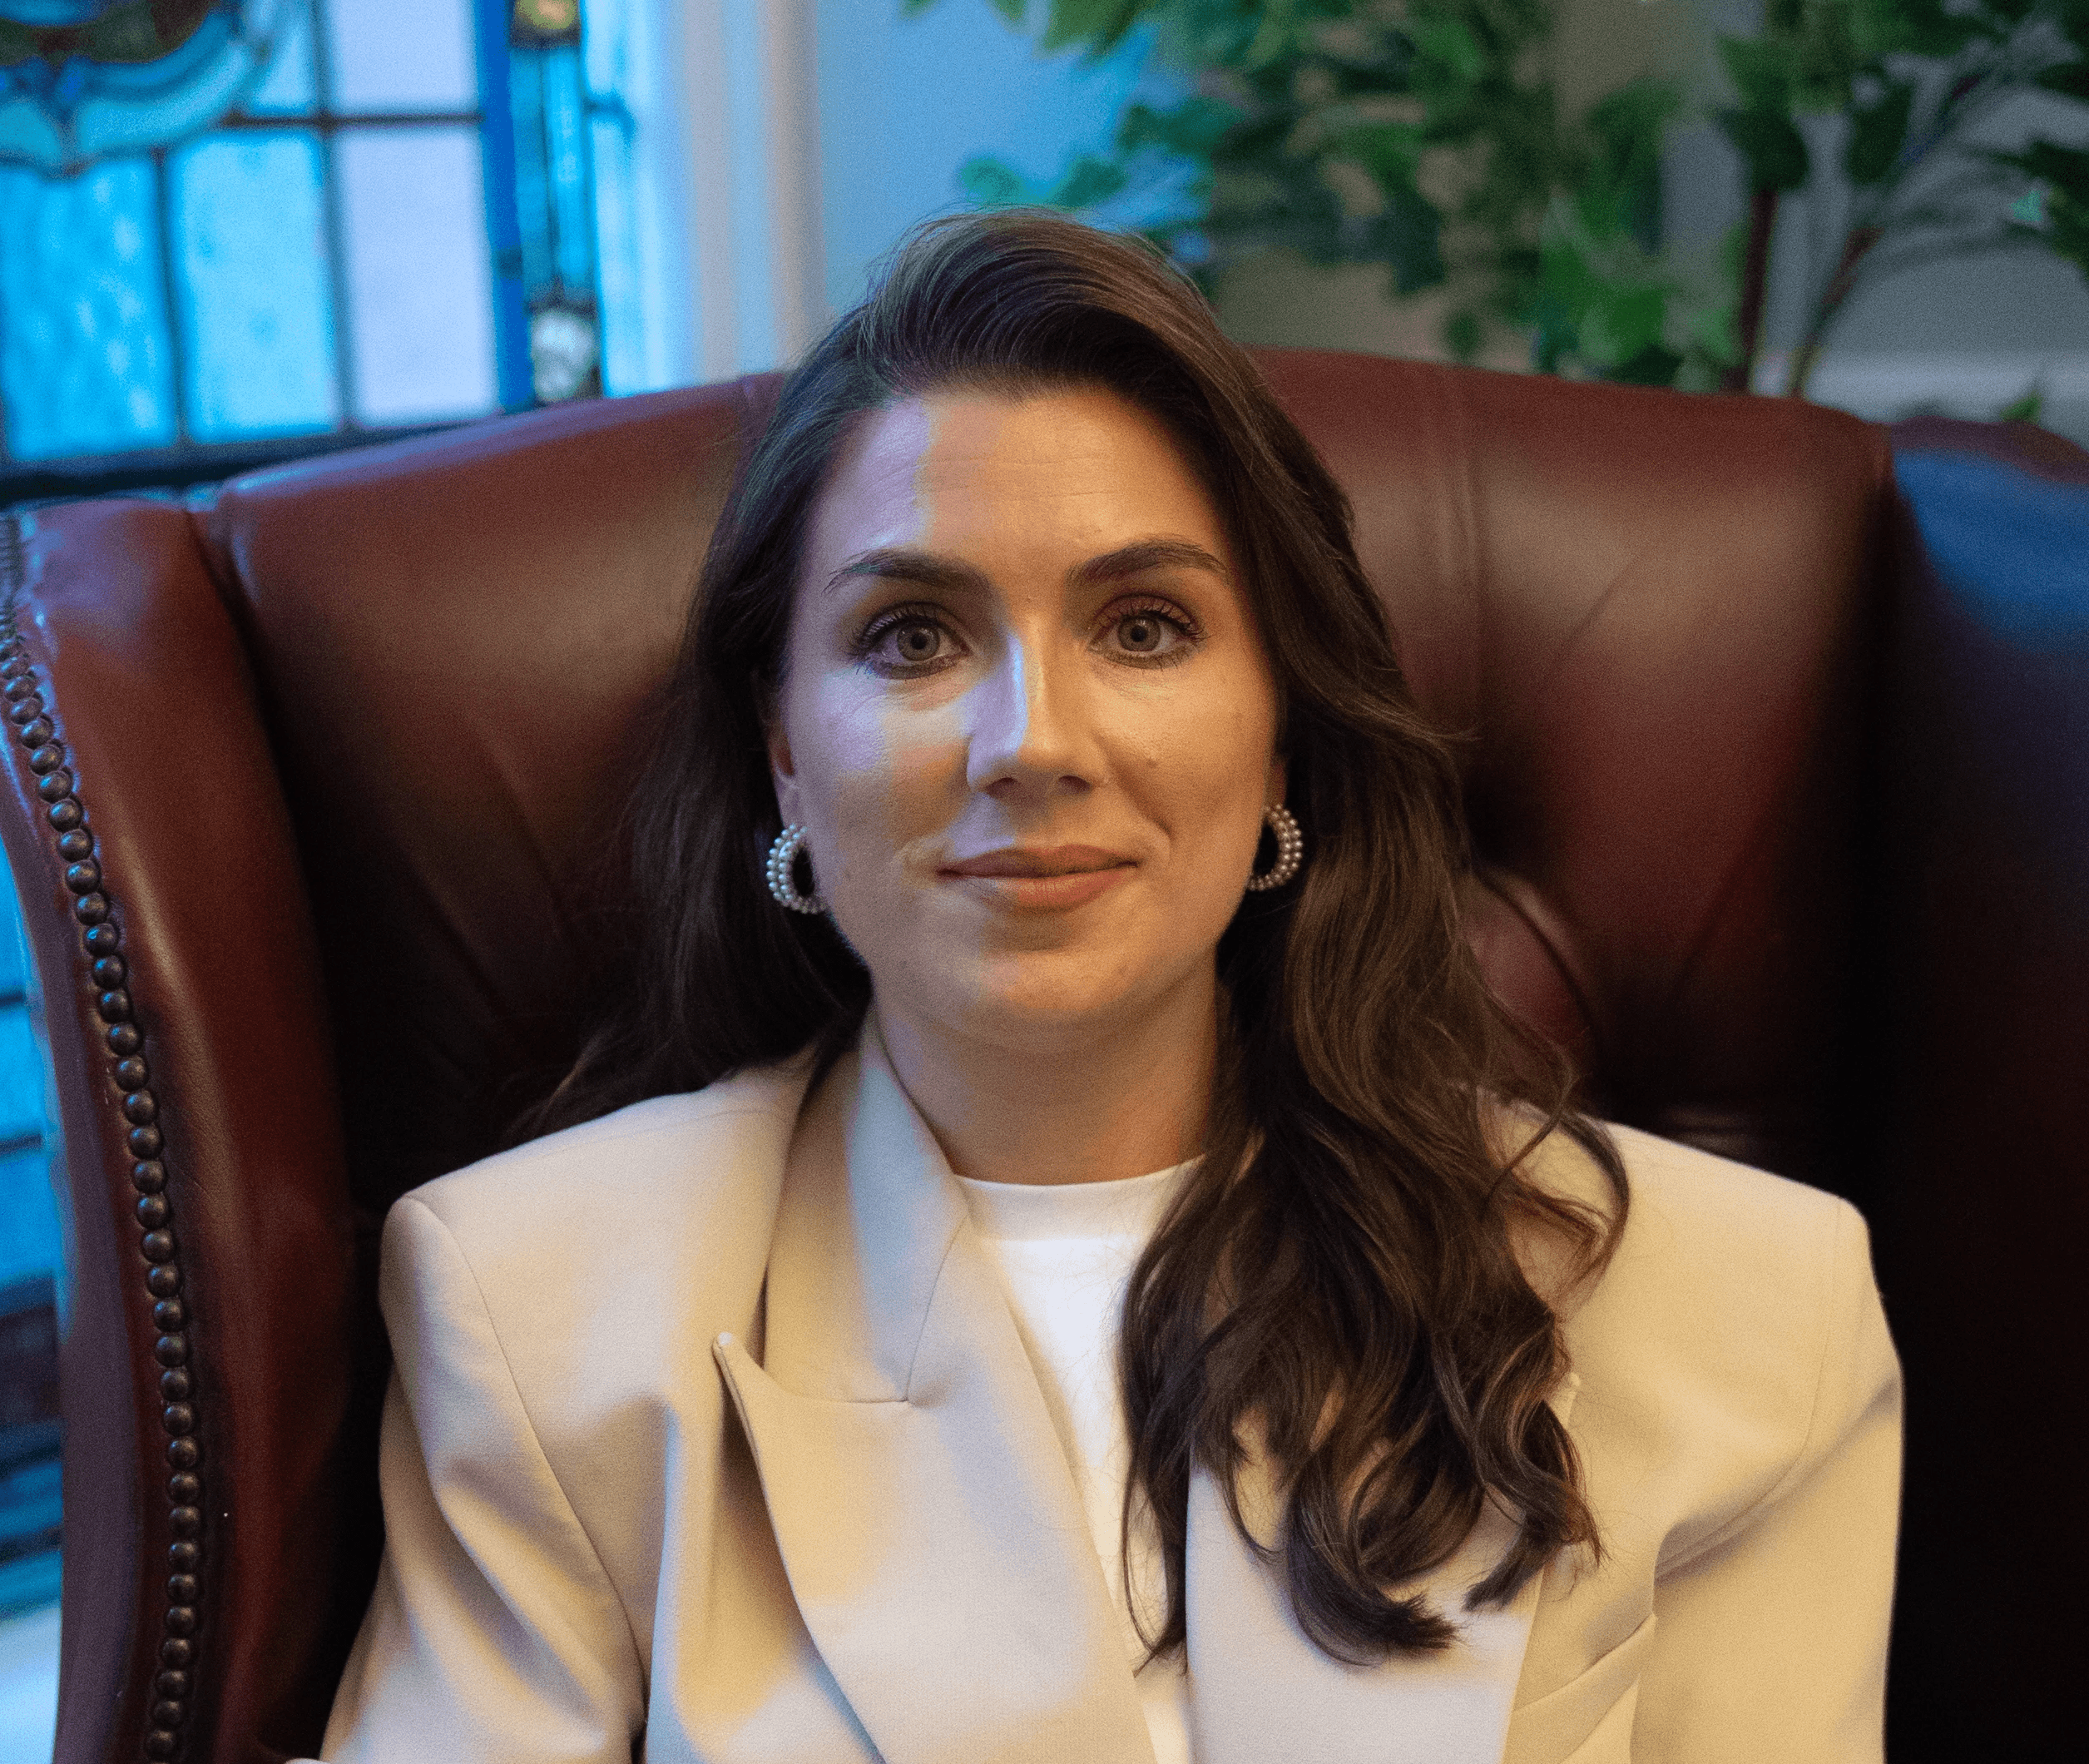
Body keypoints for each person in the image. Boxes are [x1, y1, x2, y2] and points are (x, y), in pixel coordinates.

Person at [313, 214, 1900, 1764]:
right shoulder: (535, 1314)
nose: (1034, 744)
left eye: (1144, 626)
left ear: (1278, 728)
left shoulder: (1745, 1312)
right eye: (912, 635)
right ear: (786, 751)